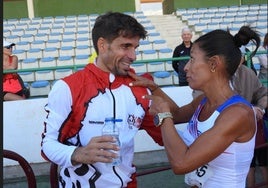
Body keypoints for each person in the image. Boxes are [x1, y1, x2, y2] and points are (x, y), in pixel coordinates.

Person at [41, 12, 163, 188]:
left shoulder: (140, 87)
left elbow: (165, 137)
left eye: (135, 48)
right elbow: (47, 145)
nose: (133, 56)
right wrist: (77, 153)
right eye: (125, 46)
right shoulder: (68, 87)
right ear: (102, 45)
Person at [128, 26, 258, 187]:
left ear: (213, 64)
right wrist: (154, 88)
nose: (185, 67)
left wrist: (163, 116)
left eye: (192, 59)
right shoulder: (204, 100)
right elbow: (175, 115)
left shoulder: (238, 114)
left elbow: (181, 163)